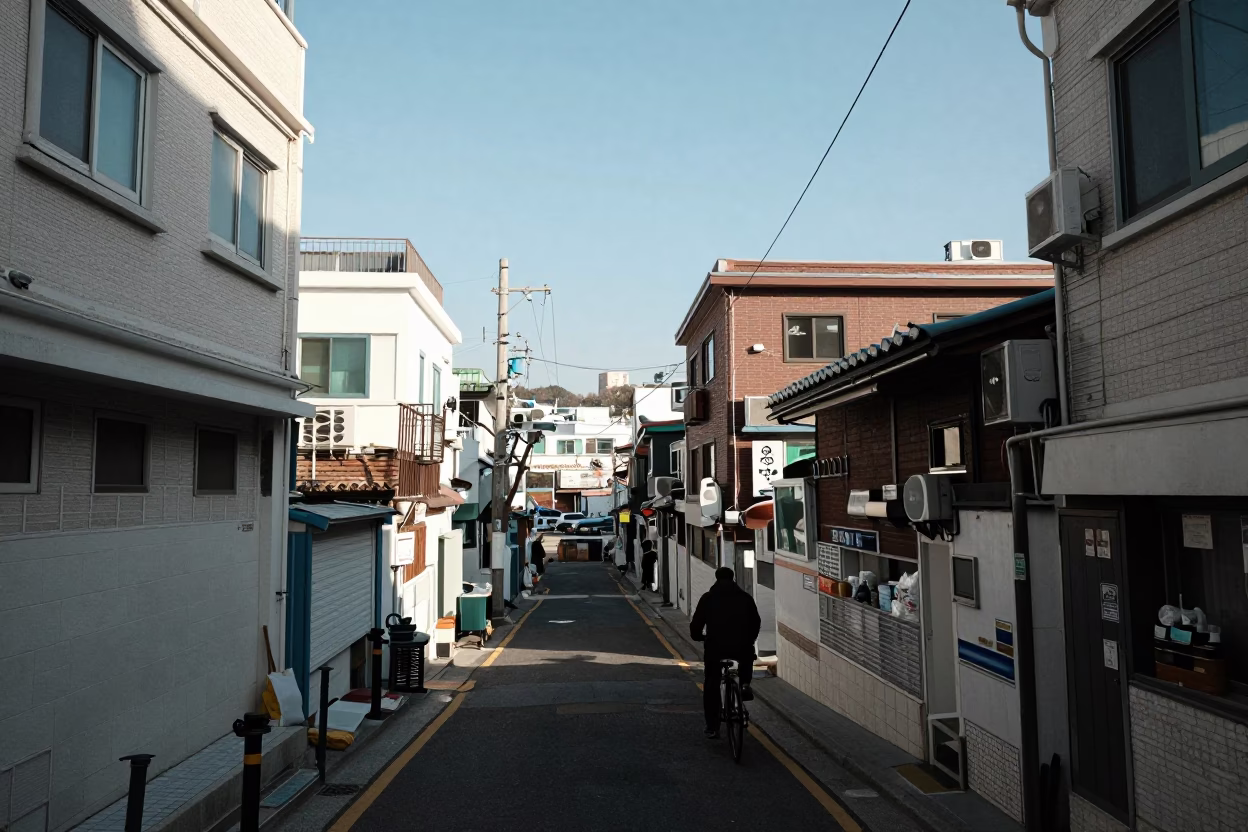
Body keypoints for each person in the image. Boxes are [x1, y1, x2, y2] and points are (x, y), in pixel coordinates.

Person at [690, 567, 761, 739]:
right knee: (746, 657)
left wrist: (699, 636)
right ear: (733, 578)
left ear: (716, 578)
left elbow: (696, 624)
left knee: (712, 683)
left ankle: (712, 727)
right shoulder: (745, 598)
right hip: (741, 646)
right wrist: (750, 639)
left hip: (716, 647)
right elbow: (756, 622)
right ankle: (744, 684)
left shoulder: (708, 598)